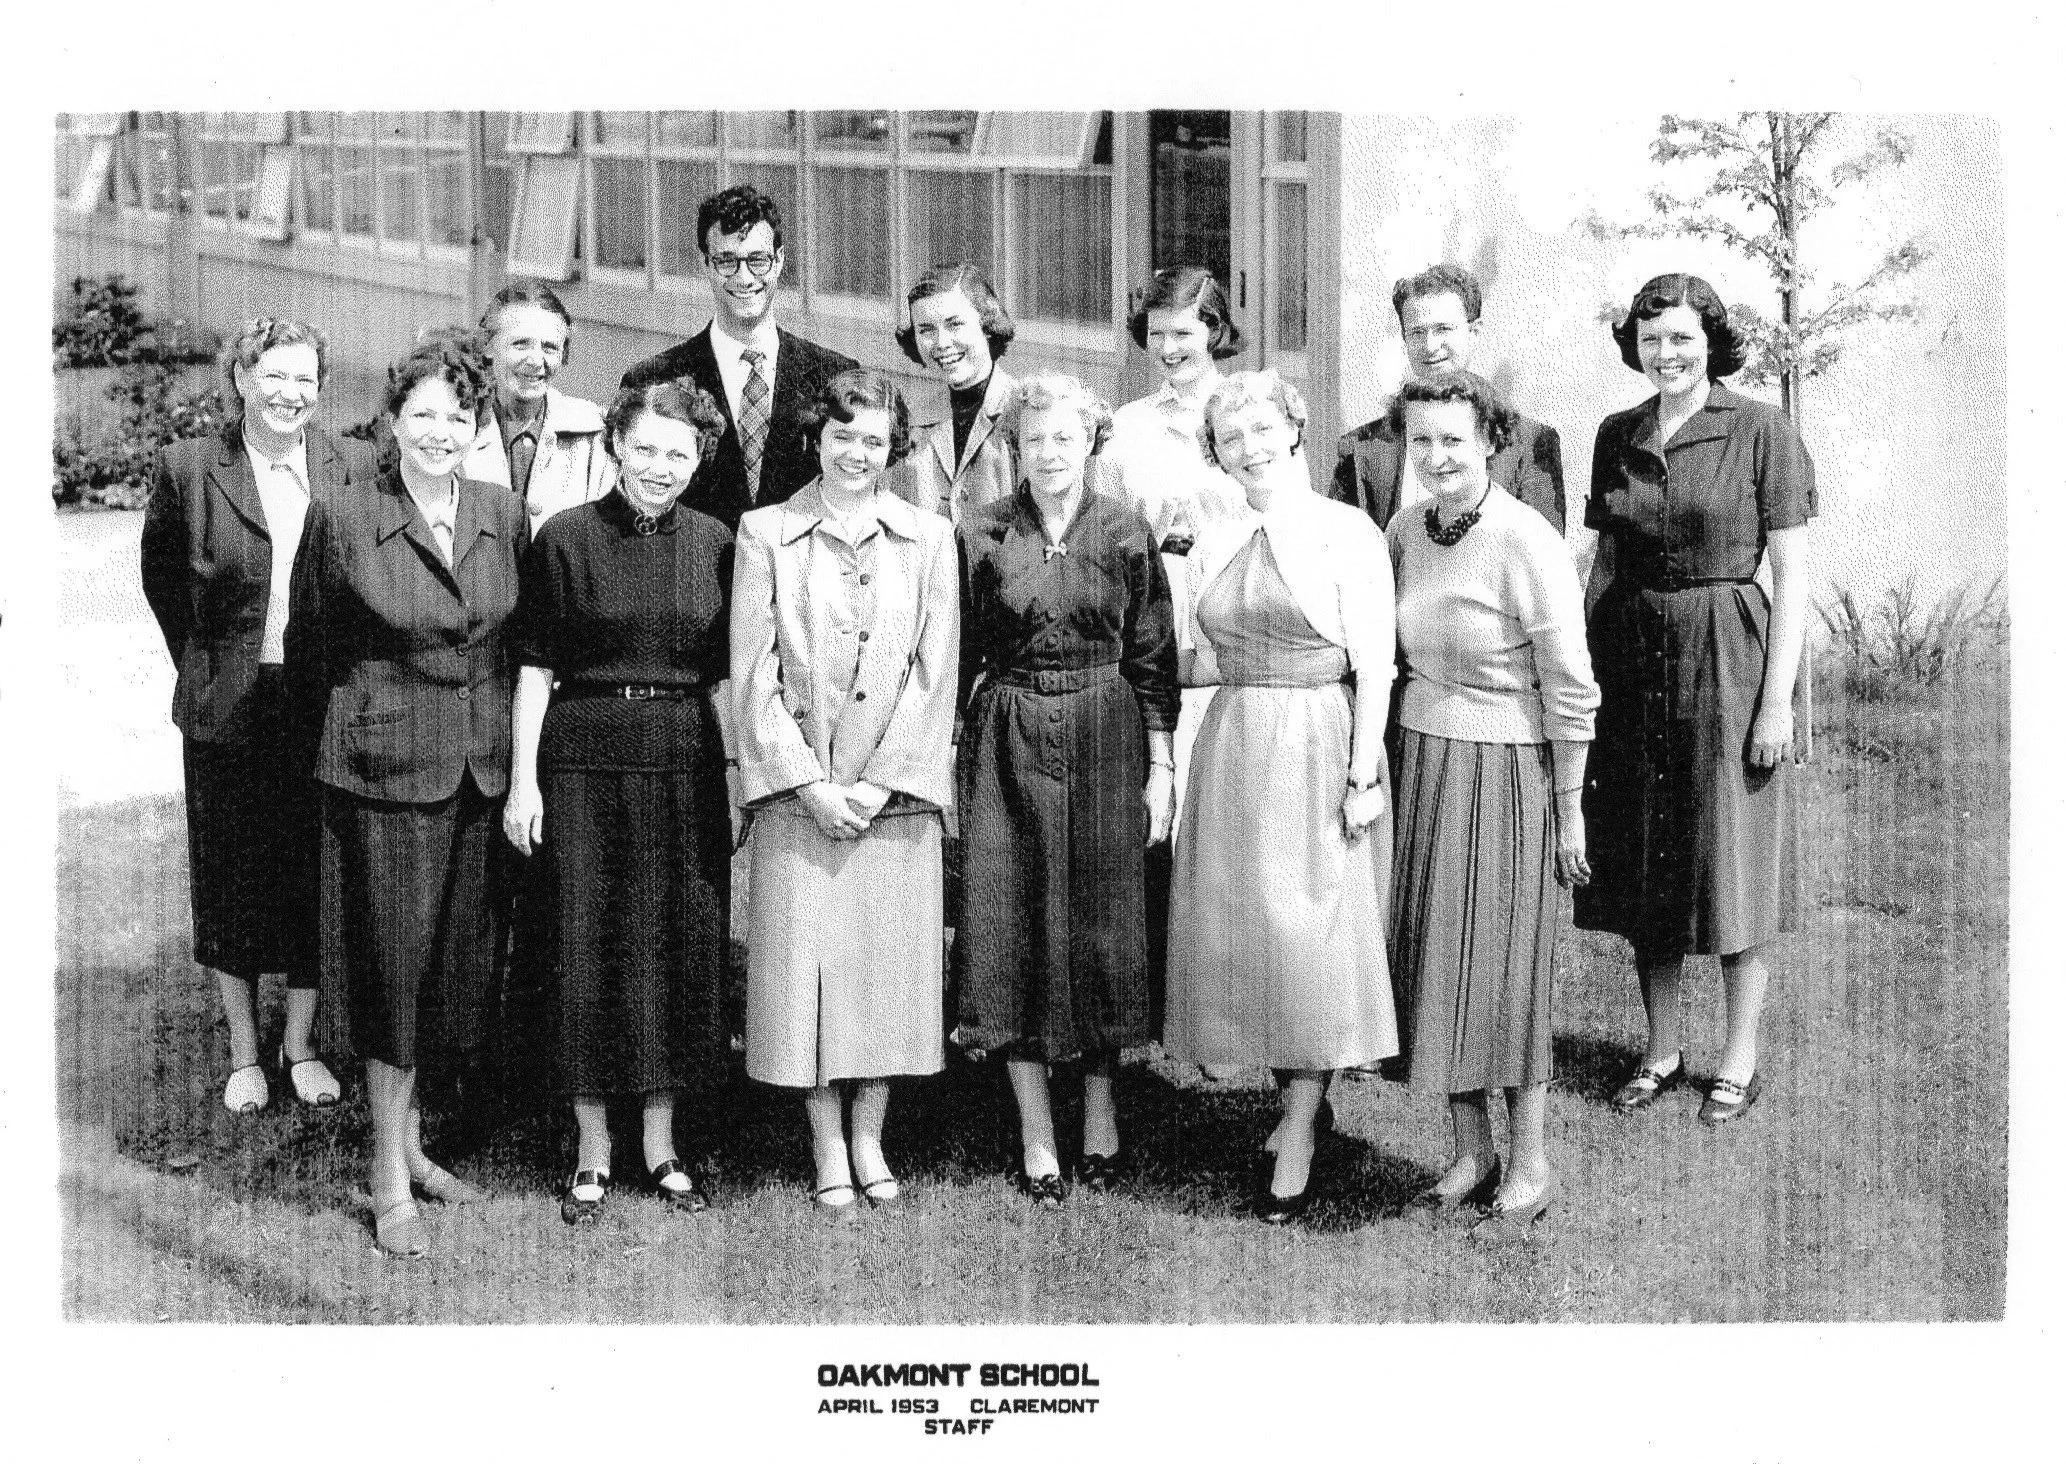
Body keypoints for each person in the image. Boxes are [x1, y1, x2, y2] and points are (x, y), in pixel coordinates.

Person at [286, 334, 521, 1259]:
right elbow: (310, 652)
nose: (439, 431)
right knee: (391, 971)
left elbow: (511, 641)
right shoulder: (342, 517)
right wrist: (356, 737)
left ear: (476, 429)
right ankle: (387, 1172)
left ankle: (414, 1144)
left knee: (447, 973)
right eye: (421, 413)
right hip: (385, 774)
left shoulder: (503, 512)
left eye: (457, 417)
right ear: (392, 423)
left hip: (479, 773)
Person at [1577, 273, 1815, 1127]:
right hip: (1633, 660)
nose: (1666, 354)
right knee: (1647, 856)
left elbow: (1792, 578)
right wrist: (1578, 665)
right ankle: (1662, 1047)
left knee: (1732, 856)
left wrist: (1777, 701)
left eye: (1680, 337)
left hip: (1730, 657)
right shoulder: (1617, 433)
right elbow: (1602, 562)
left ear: (1710, 340)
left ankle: (1740, 1057)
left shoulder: (1759, 428)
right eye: (1650, 340)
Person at [1164, 369, 1398, 1224]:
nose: (1252, 447)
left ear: (1294, 429)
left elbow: (1377, 663)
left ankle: (1299, 1126)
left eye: (1264, 429)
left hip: (1315, 742)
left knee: (1312, 935)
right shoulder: (1217, 532)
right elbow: (1202, 656)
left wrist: (1363, 770)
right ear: (1217, 453)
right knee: (1251, 936)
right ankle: (1301, 1099)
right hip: (1233, 746)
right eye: (1233, 438)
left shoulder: (1345, 529)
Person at [504, 380, 739, 1225]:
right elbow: (533, 667)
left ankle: (663, 1144)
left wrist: (737, 775)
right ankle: (592, 1148)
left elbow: (722, 676)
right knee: (588, 942)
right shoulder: (565, 538)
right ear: (614, 446)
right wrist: (524, 781)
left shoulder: (718, 542)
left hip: (684, 759)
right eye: (644, 449)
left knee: (676, 942)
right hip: (582, 759)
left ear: (699, 460)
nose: (659, 468)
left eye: (678, 454)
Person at [730, 369, 959, 1210]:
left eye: (873, 438)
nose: (857, 452)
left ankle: (872, 1138)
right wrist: (808, 784)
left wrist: (880, 782)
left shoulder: (931, 538)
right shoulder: (766, 533)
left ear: (891, 446)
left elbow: (938, 673)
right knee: (808, 977)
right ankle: (825, 1143)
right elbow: (750, 673)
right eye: (842, 435)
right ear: (815, 439)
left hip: (891, 803)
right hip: (803, 800)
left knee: (884, 976)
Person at [1384, 373, 1599, 1243]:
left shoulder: (1525, 538)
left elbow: (1572, 686)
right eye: (1421, 440)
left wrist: (1569, 806)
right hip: (1422, 762)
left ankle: (1531, 1158)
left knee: (1505, 969)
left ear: (1489, 442)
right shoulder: (1404, 530)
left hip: (1508, 770)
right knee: (1438, 963)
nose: (1437, 457)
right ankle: (1471, 1152)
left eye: (1453, 440)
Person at [954, 374, 1179, 1206]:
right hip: (1009, 732)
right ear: (1014, 445)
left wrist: (1161, 767)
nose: (1049, 453)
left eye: (1065, 438)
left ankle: (1099, 1107)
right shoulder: (980, 530)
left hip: (1105, 733)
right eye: (1033, 439)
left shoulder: (1124, 533)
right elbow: (961, 653)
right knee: (1009, 918)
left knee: (1100, 923)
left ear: (1092, 441)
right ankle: (1035, 1128)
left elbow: (1153, 658)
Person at [141, 317, 372, 1115]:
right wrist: (209, 663)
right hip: (228, 706)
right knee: (232, 877)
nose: (289, 392)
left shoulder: (354, 463)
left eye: (304, 378)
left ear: (322, 386)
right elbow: (165, 582)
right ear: (239, 378)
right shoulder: (190, 468)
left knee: (315, 870)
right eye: (272, 375)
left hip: (319, 701)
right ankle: (245, 1050)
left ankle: (298, 1042)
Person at [1100, 266, 1253, 1012]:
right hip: (1157, 636)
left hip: (1236, 636)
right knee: (1159, 811)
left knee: (1227, 822)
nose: (1168, 348)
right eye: (1156, 334)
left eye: (1184, 333)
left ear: (1215, 332)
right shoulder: (1129, 427)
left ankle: (1227, 995)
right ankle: (1163, 995)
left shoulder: (1251, 410)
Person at [620, 185, 857, 530]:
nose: (744, 278)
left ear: (779, 261)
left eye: (757, 260)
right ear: (705, 264)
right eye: (727, 261)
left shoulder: (834, 375)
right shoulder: (655, 379)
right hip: (695, 573)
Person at [1332, 263, 1566, 533]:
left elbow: (1541, 558)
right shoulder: (1360, 448)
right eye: (1417, 333)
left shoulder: (1531, 443)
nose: (1430, 346)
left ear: (1474, 332)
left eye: (1443, 329)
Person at [464, 279, 614, 541]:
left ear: (563, 355)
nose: (536, 361)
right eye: (521, 344)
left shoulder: (595, 434)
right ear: (487, 347)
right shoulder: (459, 427)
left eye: (549, 348)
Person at [884, 263, 1019, 523]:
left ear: (987, 325)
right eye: (926, 330)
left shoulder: (1023, 412)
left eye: (954, 324)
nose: (941, 343)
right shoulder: (912, 421)